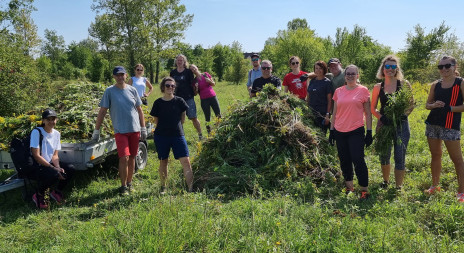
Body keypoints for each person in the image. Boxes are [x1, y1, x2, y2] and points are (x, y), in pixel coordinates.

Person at [92, 66, 147, 196]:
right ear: (114, 77)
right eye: (117, 75)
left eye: (122, 75)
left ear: (126, 75)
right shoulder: (109, 91)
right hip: (120, 131)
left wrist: (143, 127)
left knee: (132, 157)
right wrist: (96, 130)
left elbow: (139, 110)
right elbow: (102, 111)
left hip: (134, 129)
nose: (120, 77)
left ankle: (129, 183)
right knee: (124, 157)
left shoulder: (132, 90)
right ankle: (123, 186)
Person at [329, 64, 372, 200]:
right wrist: (331, 130)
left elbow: (368, 113)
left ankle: (364, 190)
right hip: (339, 130)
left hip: (356, 130)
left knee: (358, 160)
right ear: (345, 75)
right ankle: (349, 188)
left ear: (357, 76)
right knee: (345, 160)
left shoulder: (363, 90)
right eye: (348, 73)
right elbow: (334, 112)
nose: (350, 76)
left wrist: (369, 132)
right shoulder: (339, 91)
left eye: (353, 74)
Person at [424, 56, 464, 202]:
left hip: (450, 125)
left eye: (447, 66)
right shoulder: (436, 84)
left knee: (457, 159)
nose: (444, 69)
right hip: (433, 123)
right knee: (435, 155)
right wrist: (433, 105)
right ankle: (435, 185)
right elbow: (427, 104)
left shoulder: (460, 83)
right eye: (440, 67)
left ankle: (461, 192)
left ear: (455, 66)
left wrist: (450, 108)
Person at [371, 55, 414, 189]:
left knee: (399, 154)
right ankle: (385, 181)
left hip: (401, 124)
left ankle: (399, 186)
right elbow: (373, 108)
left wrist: (403, 115)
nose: (390, 69)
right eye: (387, 66)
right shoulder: (378, 87)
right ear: (383, 69)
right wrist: (382, 118)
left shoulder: (404, 84)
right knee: (384, 154)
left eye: (393, 67)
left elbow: (411, 104)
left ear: (397, 69)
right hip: (384, 124)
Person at [150, 77, 194, 193]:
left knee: (186, 161)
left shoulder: (180, 101)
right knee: (163, 161)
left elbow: (182, 118)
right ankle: (163, 187)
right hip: (161, 136)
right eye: (168, 85)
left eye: (172, 86)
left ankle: (190, 189)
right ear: (163, 87)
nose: (170, 88)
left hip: (177, 135)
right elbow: (156, 120)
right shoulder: (158, 103)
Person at [30, 109, 75, 209]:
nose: (51, 122)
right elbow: (36, 155)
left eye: (53, 119)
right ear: (43, 121)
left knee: (70, 168)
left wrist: (58, 167)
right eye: (48, 119)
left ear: (56, 120)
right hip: (38, 164)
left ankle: (57, 192)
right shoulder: (37, 132)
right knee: (54, 174)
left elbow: (55, 155)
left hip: (50, 163)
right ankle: (39, 194)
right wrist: (53, 168)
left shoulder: (56, 134)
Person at [170, 54, 203, 139]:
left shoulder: (188, 72)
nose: (179, 62)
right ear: (176, 61)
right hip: (177, 98)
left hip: (188, 97)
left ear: (184, 62)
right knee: (179, 119)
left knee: (193, 117)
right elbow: (170, 85)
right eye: (178, 60)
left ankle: (200, 134)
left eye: (181, 60)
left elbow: (193, 83)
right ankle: (180, 136)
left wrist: (195, 90)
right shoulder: (173, 72)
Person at [190, 64, 221, 134]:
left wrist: (209, 81)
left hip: (213, 97)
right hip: (204, 100)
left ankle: (220, 130)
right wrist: (196, 89)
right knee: (207, 117)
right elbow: (195, 93)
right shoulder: (194, 81)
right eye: (192, 69)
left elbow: (213, 84)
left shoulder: (205, 74)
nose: (194, 69)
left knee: (218, 114)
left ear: (197, 67)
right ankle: (209, 134)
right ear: (191, 71)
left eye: (194, 67)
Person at [306, 60, 333, 134]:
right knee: (311, 135)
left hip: (322, 114)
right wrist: (307, 109)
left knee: (320, 135)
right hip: (311, 113)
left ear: (324, 69)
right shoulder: (312, 81)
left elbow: (329, 100)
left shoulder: (327, 82)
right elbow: (308, 96)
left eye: (320, 68)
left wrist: (327, 115)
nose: (318, 70)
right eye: (316, 68)